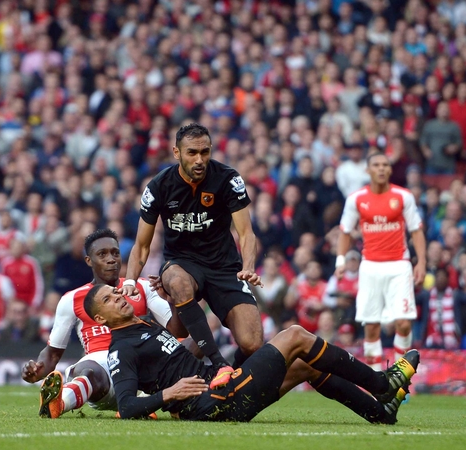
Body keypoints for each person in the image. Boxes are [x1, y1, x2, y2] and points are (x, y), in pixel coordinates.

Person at [83, 283, 417, 423]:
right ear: (100, 318)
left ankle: (381, 412)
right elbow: (126, 406)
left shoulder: (142, 326)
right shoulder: (122, 348)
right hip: (214, 402)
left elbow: (171, 359)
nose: (119, 297)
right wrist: (169, 394)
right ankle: (382, 384)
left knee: (306, 365)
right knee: (295, 337)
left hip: (219, 390)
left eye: (116, 292)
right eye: (110, 300)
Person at [123, 123, 263, 388]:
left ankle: (225, 379)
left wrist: (248, 266)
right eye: (192, 153)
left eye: (205, 152)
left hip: (225, 267)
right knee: (176, 282)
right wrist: (130, 280)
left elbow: (246, 233)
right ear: (176, 152)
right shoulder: (158, 187)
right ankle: (218, 363)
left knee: (253, 342)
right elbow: (142, 245)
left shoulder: (228, 179)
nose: (200, 160)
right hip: (182, 264)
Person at [21, 229, 181, 418]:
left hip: (143, 367)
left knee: (194, 340)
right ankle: (59, 402)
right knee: (87, 371)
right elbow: (53, 353)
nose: (111, 259)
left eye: (115, 253)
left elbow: (178, 330)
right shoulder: (72, 299)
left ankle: (145, 401)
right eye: (102, 254)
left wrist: (174, 299)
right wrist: (37, 369)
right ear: (89, 260)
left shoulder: (142, 287)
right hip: (104, 371)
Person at [336, 152, 426, 370]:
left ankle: (399, 375)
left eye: (385, 165)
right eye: (376, 165)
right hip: (370, 267)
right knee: (372, 328)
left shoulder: (403, 196)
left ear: (390, 169)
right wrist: (340, 261)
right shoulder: (356, 199)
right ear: (368, 170)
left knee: (404, 324)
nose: (381, 168)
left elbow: (416, 230)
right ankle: (377, 381)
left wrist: (421, 262)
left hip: (399, 265)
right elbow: (345, 231)